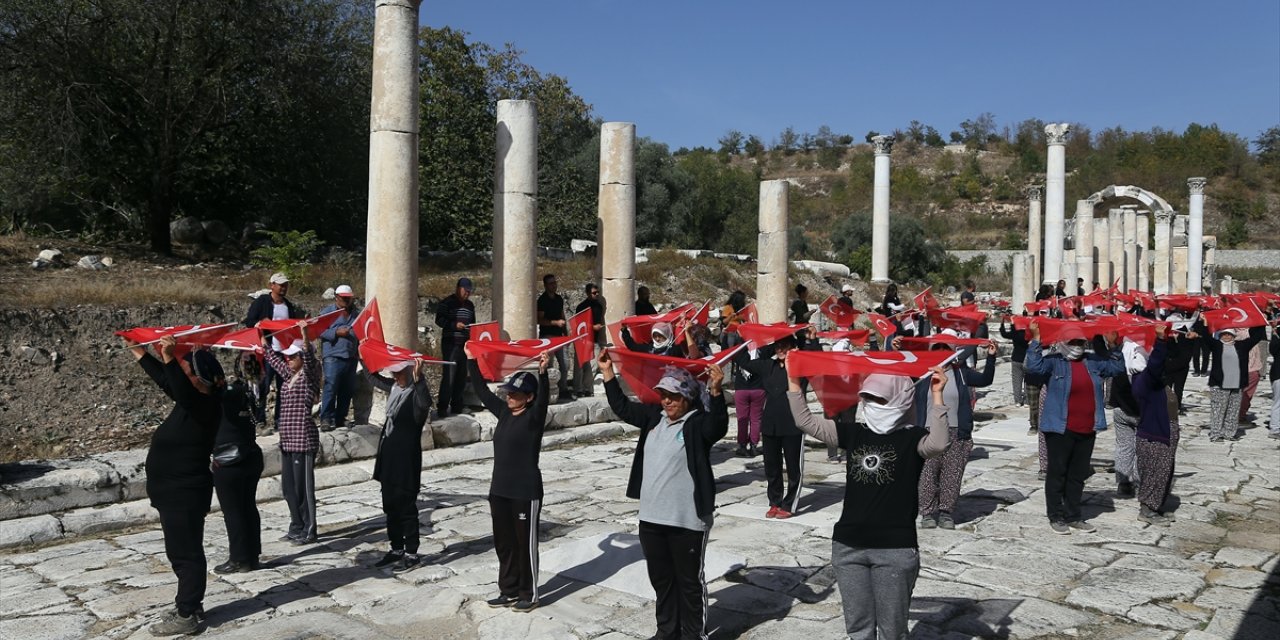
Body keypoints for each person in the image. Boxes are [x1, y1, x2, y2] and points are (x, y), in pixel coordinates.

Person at [785, 366, 951, 640]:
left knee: (892, 632)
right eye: (868, 398)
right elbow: (805, 421)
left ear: (900, 399)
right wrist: (793, 380)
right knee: (858, 630)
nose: (872, 405)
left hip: (895, 551)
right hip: (848, 547)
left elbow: (939, 444)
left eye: (881, 399)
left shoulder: (912, 438)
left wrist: (937, 396)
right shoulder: (854, 433)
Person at [599, 351, 727, 640]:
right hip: (652, 519)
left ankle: (694, 635)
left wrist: (716, 392)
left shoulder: (697, 423)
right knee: (662, 580)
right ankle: (666, 632)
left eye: (673, 396)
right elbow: (622, 406)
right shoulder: (653, 417)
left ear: (688, 398)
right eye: (663, 394)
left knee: (689, 582)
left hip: (687, 522)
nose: (667, 401)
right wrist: (608, 373)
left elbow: (718, 426)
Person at [123, 336, 221, 636]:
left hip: (184, 493)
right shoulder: (191, 401)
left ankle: (187, 613)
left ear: (201, 380)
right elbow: (169, 381)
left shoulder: (204, 404)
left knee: (185, 553)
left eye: (189, 371)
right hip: (175, 493)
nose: (183, 374)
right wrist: (139, 351)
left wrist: (168, 356)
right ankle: (190, 602)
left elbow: (177, 383)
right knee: (182, 550)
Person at [468, 350, 551, 612]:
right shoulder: (504, 412)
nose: (509, 396)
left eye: (515, 394)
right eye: (508, 392)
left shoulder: (533, 418)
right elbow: (482, 392)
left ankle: (530, 593)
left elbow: (544, 401)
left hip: (525, 491)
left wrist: (544, 372)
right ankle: (509, 589)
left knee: (524, 545)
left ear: (529, 397)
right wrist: (471, 359)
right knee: (504, 544)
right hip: (500, 490)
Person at [1023, 322, 1125, 534]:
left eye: (1080, 341)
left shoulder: (1093, 362)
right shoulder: (1054, 362)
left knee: (1078, 474)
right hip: (1061, 429)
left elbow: (1117, 368)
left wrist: (1114, 346)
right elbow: (1033, 368)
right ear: (1063, 343)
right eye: (1073, 342)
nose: (1077, 345)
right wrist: (1035, 340)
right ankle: (1056, 515)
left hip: (1087, 427)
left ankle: (1073, 515)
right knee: (1057, 473)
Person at [904, 336, 997, 529]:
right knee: (927, 473)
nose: (940, 351)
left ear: (953, 351)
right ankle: (927, 513)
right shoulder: (922, 374)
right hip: (927, 431)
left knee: (952, 474)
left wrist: (991, 357)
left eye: (944, 347)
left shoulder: (961, 372)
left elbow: (985, 379)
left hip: (957, 430)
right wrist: (891, 344)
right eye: (935, 348)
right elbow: (898, 366)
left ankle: (946, 512)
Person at [736, 332, 818, 518]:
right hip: (770, 422)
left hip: (793, 423)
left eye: (785, 346)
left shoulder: (801, 367)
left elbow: (815, 357)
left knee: (793, 466)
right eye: (778, 346)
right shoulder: (768, 366)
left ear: (792, 346)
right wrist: (747, 340)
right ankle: (775, 502)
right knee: (771, 466)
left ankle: (789, 505)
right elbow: (744, 362)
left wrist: (811, 340)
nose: (781, 350)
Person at [367, 358, 431, 572]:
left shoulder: (415, 394)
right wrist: (364, 354)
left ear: (410, 372)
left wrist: (419, 378)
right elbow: (372, 378)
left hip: (406, 461)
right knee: (390, 505)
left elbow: (425, 404)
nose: (396, 377)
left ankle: (412, 553)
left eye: (400, 373)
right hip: (389, 459)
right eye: (394, 373)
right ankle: (396, 548)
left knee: (406, 508)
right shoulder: (394, 388)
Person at [263, 330, 322, 544]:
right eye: (288, 356)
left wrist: (306, 336)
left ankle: (309, 529)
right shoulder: (289, 377)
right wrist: (263, 338)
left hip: (303, 440)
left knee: (303, 489)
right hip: (287, 441)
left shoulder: (308, 377)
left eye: (292, 356)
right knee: (289, 488)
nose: (288, 359)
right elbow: (273, 359)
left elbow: (309, 360)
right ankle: (296, 525)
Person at [211, 359, 265, 575]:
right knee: (248, 507)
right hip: (251, 454)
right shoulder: (251, 393)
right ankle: (252, 555)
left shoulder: (227, 396)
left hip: (229, 459)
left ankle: (239, 558)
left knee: (233, 511)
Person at [1129, 325, 1179, 525]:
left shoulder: (1153, 380)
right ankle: (1148, 509)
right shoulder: (1144, 380)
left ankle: (1157, 505)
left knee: (1165, 472)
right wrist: (1160, 341)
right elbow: (1157, 363)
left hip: (1166, 431)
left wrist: (1172, 339)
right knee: (1154, 473)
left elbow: (1168, 362)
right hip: (1154, 434)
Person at [243, 272, 305, 426]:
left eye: (286, 285)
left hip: (285, 352)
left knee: (284, 386)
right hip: (267, 351)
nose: (284, 288)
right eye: (281, 284)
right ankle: (260, 419)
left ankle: (280, 418)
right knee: (263, 385)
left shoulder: (288, 305)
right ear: (272, 285)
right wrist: (261, 323)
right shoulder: (262, 302)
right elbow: (249, 321)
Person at [1205, 326, 1266, 442]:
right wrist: (1204, 324)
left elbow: (1256, 337)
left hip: (1237, 384)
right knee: (1218, 410)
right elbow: (1206, 338)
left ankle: (1229, 433)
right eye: (1224, 334)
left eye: (1229, 334)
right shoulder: (1217, 345)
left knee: (1233, 410)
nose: (1226, 336)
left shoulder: (1242, 346)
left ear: (1234, 336)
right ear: (1220, 335)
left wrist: (1260, 323)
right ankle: (1216, 434)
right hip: (1220, 384)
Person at [318, 285, 360, 430]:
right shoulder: (327, 313)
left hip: (351, 355)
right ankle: (326, 418)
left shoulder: (356, 314)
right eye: (343, 298)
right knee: (331, 386)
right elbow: (319, 330)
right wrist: (336, 332)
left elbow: (361, 330)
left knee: (347, 389)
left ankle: (340, 418)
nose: (346, 301)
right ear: (336, 297)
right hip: (333, 356)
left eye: (348, 298)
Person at [435, 277, 476, 417]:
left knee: (461, 375)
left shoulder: (470, 306)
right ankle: (442, 406)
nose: (467, 294)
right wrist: (454, 325)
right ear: (458, 288)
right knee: (449, 375)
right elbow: (439, 320)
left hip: (464, 345)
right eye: (465, 290)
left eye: (469, 291)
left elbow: (473, 324)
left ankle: (457, 404)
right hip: (450, 344)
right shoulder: (447, 303)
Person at [1109, 340, 1144, 499]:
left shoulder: (1119, 360)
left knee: (1123, 446)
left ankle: (1123, 484)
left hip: (1120, 409)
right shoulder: (1144, 363)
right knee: (1140, 447)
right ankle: (1138, 482)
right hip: (1140, 412)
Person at [536, 274, 573, 403]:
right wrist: (555, 323)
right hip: (547, 336)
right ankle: (548, 390)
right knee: (548, 364)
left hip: (559, 336)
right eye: (551, 283)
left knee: (565, 364)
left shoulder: (559, 299)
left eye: (555, 282)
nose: (554, 285)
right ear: (545, 285)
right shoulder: (542, 300)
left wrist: (566, 333)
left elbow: (562, 315)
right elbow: (539, 319)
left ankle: (563, 389)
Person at [732, 339, 765, 458]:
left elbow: (728, 351)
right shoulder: (762, 350)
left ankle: (742, 446)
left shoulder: (738, 351)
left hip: (741, 388)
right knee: (756, 419)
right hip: (758, 388)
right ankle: (754, 445)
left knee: (742, 419)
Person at [574, 283, 606, 397]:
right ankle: (578, 389)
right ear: (587, 293)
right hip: (583, 339)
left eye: (597, 292)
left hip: (595, 339)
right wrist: (592, 327)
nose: (596, 295)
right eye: (594, 293)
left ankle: (587, 388)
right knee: (580, 365)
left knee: (593, 366)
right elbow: (578, 324)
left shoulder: (599, 306)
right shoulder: (581, 307)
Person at [1000, 314, 1030, 406]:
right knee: (1028, 380)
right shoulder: (1028, 335)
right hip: (1026, 359)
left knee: (1016, 381)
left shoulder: (1014, 334)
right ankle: (1026, 401)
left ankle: (1017, 401)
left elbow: (1004, 334)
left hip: (1016, 358)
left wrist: (1003, 323)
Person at [1239, 339, 1265, 422]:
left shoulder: (1236, 341)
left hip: (1240, 370)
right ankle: (1240, 415)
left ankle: (1238, 414)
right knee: (1246, 395)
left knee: (1241, 394)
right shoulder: (1253, 342)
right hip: (1252, 371)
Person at [1269, 323, 1280, 440]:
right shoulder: (1276, 341)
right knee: (1278, 403)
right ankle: (1275, 428)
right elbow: (1273, 350)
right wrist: (1274, 333)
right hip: (1278, 375)